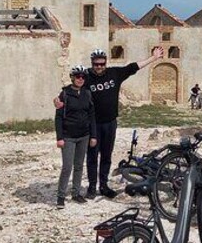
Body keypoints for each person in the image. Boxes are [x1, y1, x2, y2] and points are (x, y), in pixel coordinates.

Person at [56, 46, 164, 198]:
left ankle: (104, 185)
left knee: (106, 156)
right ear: (92, 63)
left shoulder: (114, 73)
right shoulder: (86, 76)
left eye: (102, 64)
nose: (99, 67)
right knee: (92, 157)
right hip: (92, 125)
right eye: (96, 64)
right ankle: (92, 188)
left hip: (110, 123)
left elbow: (133, 67)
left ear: (105, 63)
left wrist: (153, 58)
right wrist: (58, 99)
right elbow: (73, 85)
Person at [54, 65, 97, 209]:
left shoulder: (87, 93)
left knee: (79, 166)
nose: (80, 79)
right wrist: (59, 138)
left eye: (83, 77)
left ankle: (76, 193)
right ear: (72, 77)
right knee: (67, 167)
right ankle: (61, 196)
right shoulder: (64, 94)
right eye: (78, 76)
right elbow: (58, 117)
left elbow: (91, 116)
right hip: (68, 136)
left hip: (84, 136)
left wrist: (93, 136)